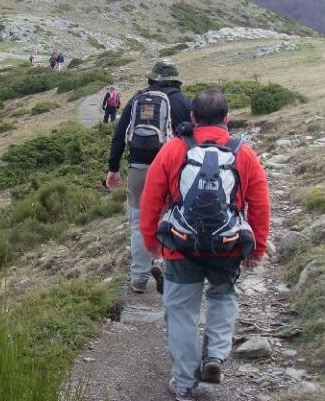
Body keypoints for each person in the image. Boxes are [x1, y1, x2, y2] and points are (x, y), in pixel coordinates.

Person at [139, 88, 270, 401]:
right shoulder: (243, 152)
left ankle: (184, 384)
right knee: (223, 297)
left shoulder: (173, 150)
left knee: (181, 311)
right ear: (226, 118)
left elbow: (151, 199)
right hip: (228, 247)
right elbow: (260, 204)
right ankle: (214, 357)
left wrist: (150, 241)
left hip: (180, 247)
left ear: (193, 118)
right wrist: (258, 248)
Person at [105, 59, 191, 294]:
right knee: (172, 218)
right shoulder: (184, 103)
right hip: (174, 169)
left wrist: (113, 169)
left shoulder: (137, 99)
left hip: (139, 168)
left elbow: (119, 135)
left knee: (138, 222)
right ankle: (164, 264)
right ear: (176, 79)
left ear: (152, 79)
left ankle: (139, 278)